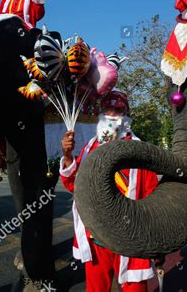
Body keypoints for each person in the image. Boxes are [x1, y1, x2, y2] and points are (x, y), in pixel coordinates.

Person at [59, 90, 158, 292]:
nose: (112, 114)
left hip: (130, 236)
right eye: (107, 109)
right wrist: (68, 156)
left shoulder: (140, 151)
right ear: (101, 113)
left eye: (118, 110)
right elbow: (73, 185)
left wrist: (154, 238)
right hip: (97, 234)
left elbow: (153, 197)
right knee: (96, 288)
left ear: (126, 115)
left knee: (135, 287)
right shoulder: (89, 148)